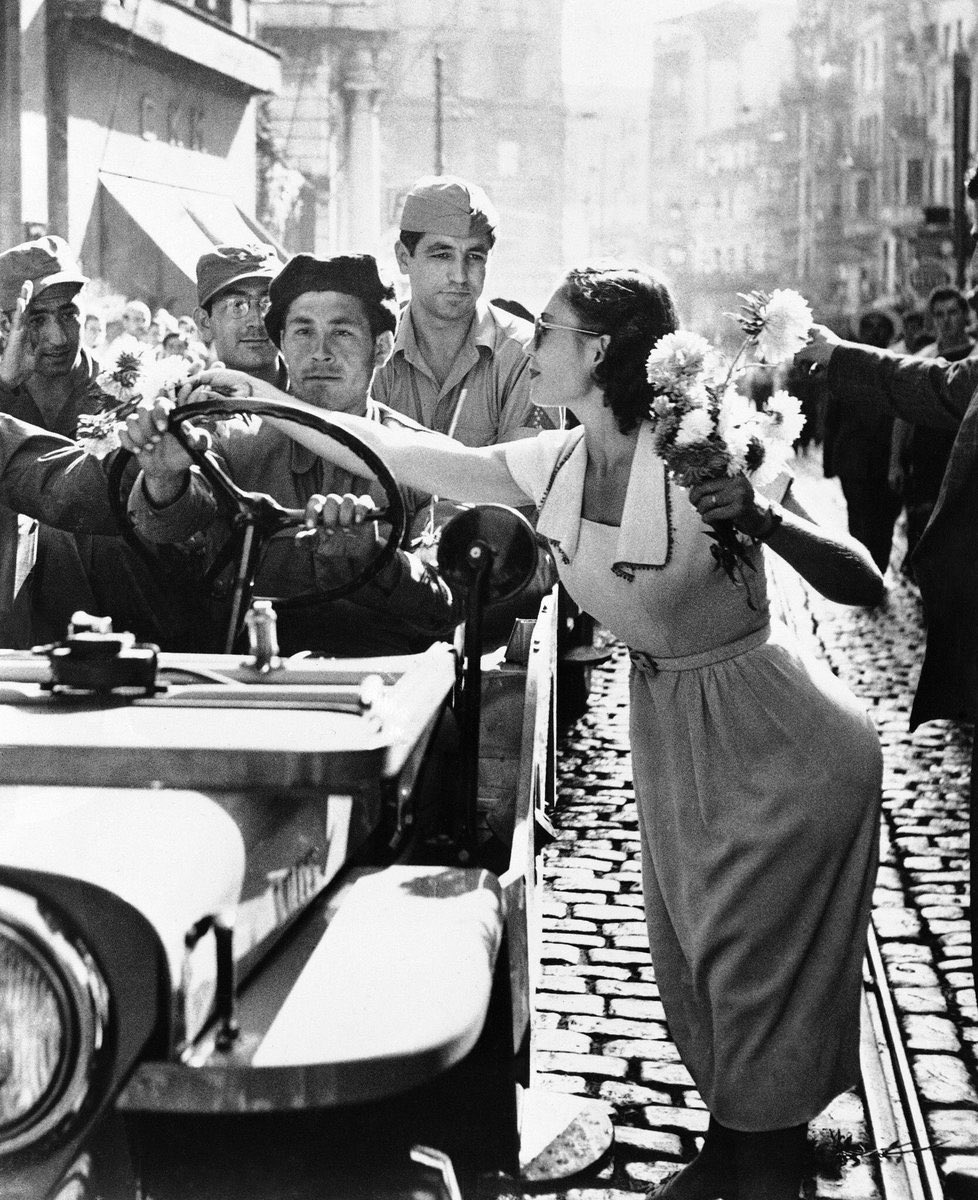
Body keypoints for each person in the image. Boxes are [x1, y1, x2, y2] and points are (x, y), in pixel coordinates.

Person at [133, 262, 885, 1198]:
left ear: (599, 353)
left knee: (750, 978)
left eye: (553, 331)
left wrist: (763, 515)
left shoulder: (705, 447)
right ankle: (730, 1154)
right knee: (694, 967)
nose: (530, 345)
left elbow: (866, 581)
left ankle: (765, 1169)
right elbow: (393, 451)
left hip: (777, 743)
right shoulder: (559, 460)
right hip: (674, 734)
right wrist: (252, 394)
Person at [124, 252, 457, 657]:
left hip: (380, 682)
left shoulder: (428, 460)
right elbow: (171, 525)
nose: (320, 352)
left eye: (342, 333)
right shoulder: (232, 440)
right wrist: (163, 479)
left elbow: (445, 605)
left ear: (383, 347)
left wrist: (373, 556)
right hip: (251, 675)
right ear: (281, 343)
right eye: (302, 333)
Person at [0, 235, 197, 646]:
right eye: (36, 319)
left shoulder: (131, 389)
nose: (56, 337)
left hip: (117, 621)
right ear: (7, 323)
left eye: (68, 314)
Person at [370, 174, 557, 445]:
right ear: (403, 258)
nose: (459, 276)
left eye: (474, 257)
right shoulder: (372, 348)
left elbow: (525, 478)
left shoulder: (526, 355)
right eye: (442, 255)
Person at [890, 285, 973, 573]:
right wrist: (895, 462)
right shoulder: (924, 360)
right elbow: (904, 415)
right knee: (927, 527)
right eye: (939, 315)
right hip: (929, 455)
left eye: (953, 312)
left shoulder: (975, 355)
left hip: (967, 451)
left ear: (965, 315)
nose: (946, 321)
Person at [821, 309, 902, 572]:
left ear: (890, 334)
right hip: (853, 459)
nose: (875, 333)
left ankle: (878, 568)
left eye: (882, 328)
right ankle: (862, 573)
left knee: (885, 518)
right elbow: (832, 415)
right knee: (857, 515)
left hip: (887, 458)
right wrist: (829, 459)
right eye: (869, 327)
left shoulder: (900, 367)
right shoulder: (846, 367)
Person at [193, 243, 288, 388]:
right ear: (204, 322)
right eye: (237, 305)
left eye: (268, 303)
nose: (257, 321)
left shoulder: (318, 399)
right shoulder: (186, 402)